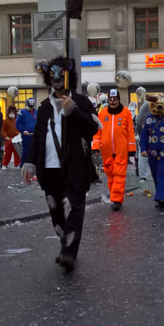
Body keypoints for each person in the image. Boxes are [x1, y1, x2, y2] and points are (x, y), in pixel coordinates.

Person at [21, 57, 100, 272]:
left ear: (68, 77)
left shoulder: (82, 102)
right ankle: (65, 244)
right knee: (56, 212)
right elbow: (38, 137)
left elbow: (94, 127)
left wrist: (74, 111)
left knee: (74, 209)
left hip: (75, 169)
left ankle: (69, 253)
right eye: (53, 76)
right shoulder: (45, 107)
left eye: (61, 75)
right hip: (49, 170)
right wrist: (29, 161)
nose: (57, 79)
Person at [95, 88, 134, 210]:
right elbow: (97, 132)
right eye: (111, 99)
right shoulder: (102, 113)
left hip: (121, 150)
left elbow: (130, 132)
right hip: (106, 151)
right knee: (110, 176)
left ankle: (116, 200)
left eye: (115, 99)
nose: (112, 101)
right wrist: (95, 146)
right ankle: (115, 196)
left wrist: (131, 148)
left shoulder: (126, 113)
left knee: (119, 175)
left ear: (118, 100)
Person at [16, 97, 37, 163]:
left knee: (36, 151)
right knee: (26, 151)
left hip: (36, 135)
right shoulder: (22, 112)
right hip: (27, 136)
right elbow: (18, 124)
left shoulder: (36, 112)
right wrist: (23, 130)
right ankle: (23, 165)